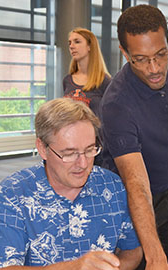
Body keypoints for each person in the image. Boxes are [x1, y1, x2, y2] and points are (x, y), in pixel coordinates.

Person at [0, 98, 142, 270]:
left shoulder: (111, 187)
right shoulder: (12, 195)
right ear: (43, 148)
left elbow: (133, 251)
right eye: (69, 153)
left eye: (89, 150)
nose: (83, 163)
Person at [99, 4, 168, 270]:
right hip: (138, 200)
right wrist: (154, 257)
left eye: (159, 54)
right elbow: (136, 184)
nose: (154, 67)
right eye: (141, 59)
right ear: (125, 54)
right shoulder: (117, 104)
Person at [63, 28, 111, 166]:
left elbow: (113, 116)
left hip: (95, 151)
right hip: (71, 147)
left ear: (90, 46)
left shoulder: (104, 81)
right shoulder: (67, 80)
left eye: (77, 42)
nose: (71, 46)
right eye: (70, 43)